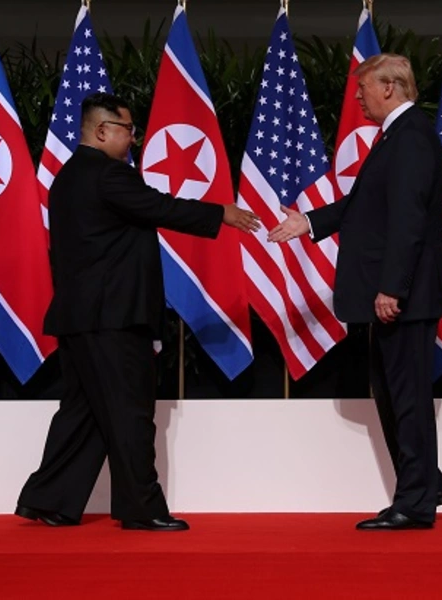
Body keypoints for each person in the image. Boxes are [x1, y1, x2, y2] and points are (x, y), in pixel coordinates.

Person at [16, 93, 260, 531]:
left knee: (83, 413)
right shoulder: (108, 175)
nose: (134, 138)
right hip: (112, 317)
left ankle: (48, 498)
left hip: (79, 318)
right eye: (129, 130)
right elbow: (159, 207)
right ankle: (140, 507)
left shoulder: (67, 177)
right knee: (130, 411)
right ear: (102, 130)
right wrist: (219, 213)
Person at [268, 53, 442, 530]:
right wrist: (308, 221)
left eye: (362, 88)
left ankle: (415, 503)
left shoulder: (410, 138)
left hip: (402, 298)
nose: (357, 97)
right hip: (396, 295)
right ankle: (424, 486)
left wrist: (393, 288)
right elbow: (365, 203)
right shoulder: (398, 137)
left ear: (388, 88)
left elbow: (408, 219)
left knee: (405, 398)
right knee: (393, 395)